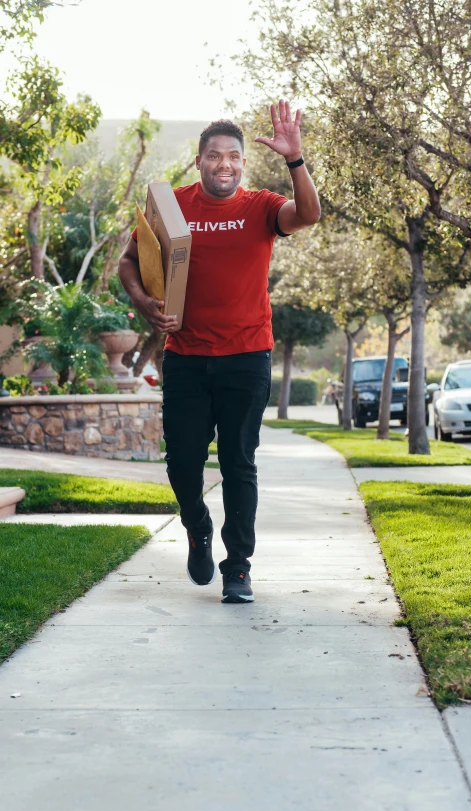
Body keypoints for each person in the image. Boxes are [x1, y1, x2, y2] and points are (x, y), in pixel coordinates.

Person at [118, 99, 320, 603]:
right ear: (198, 160)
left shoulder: (263, 208)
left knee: (238, 462)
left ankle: (239, 567)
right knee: (182, 463)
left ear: (243, 164)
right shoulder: (170, 205)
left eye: (232, 156)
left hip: (247, 357)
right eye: (214, 156)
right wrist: (145, 304)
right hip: (185, 357)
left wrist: (296, 160)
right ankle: (196, 524)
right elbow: (128, 262)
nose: (223, 164)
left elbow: (310, 214)